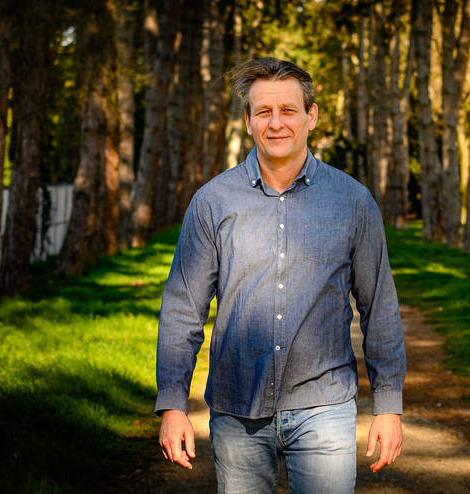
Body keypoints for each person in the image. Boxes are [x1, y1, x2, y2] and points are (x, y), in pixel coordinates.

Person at [155, 57, 406, 494]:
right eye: (264, 112)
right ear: (248, 121)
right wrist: (173, 404)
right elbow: (183, 309)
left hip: (325, 407)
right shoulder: (212, 202)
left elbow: (379, 306)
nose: (276, 123)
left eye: (288, 110)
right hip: (237, 409)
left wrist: (388, 406)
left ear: (312, 116)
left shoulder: (353, 201)